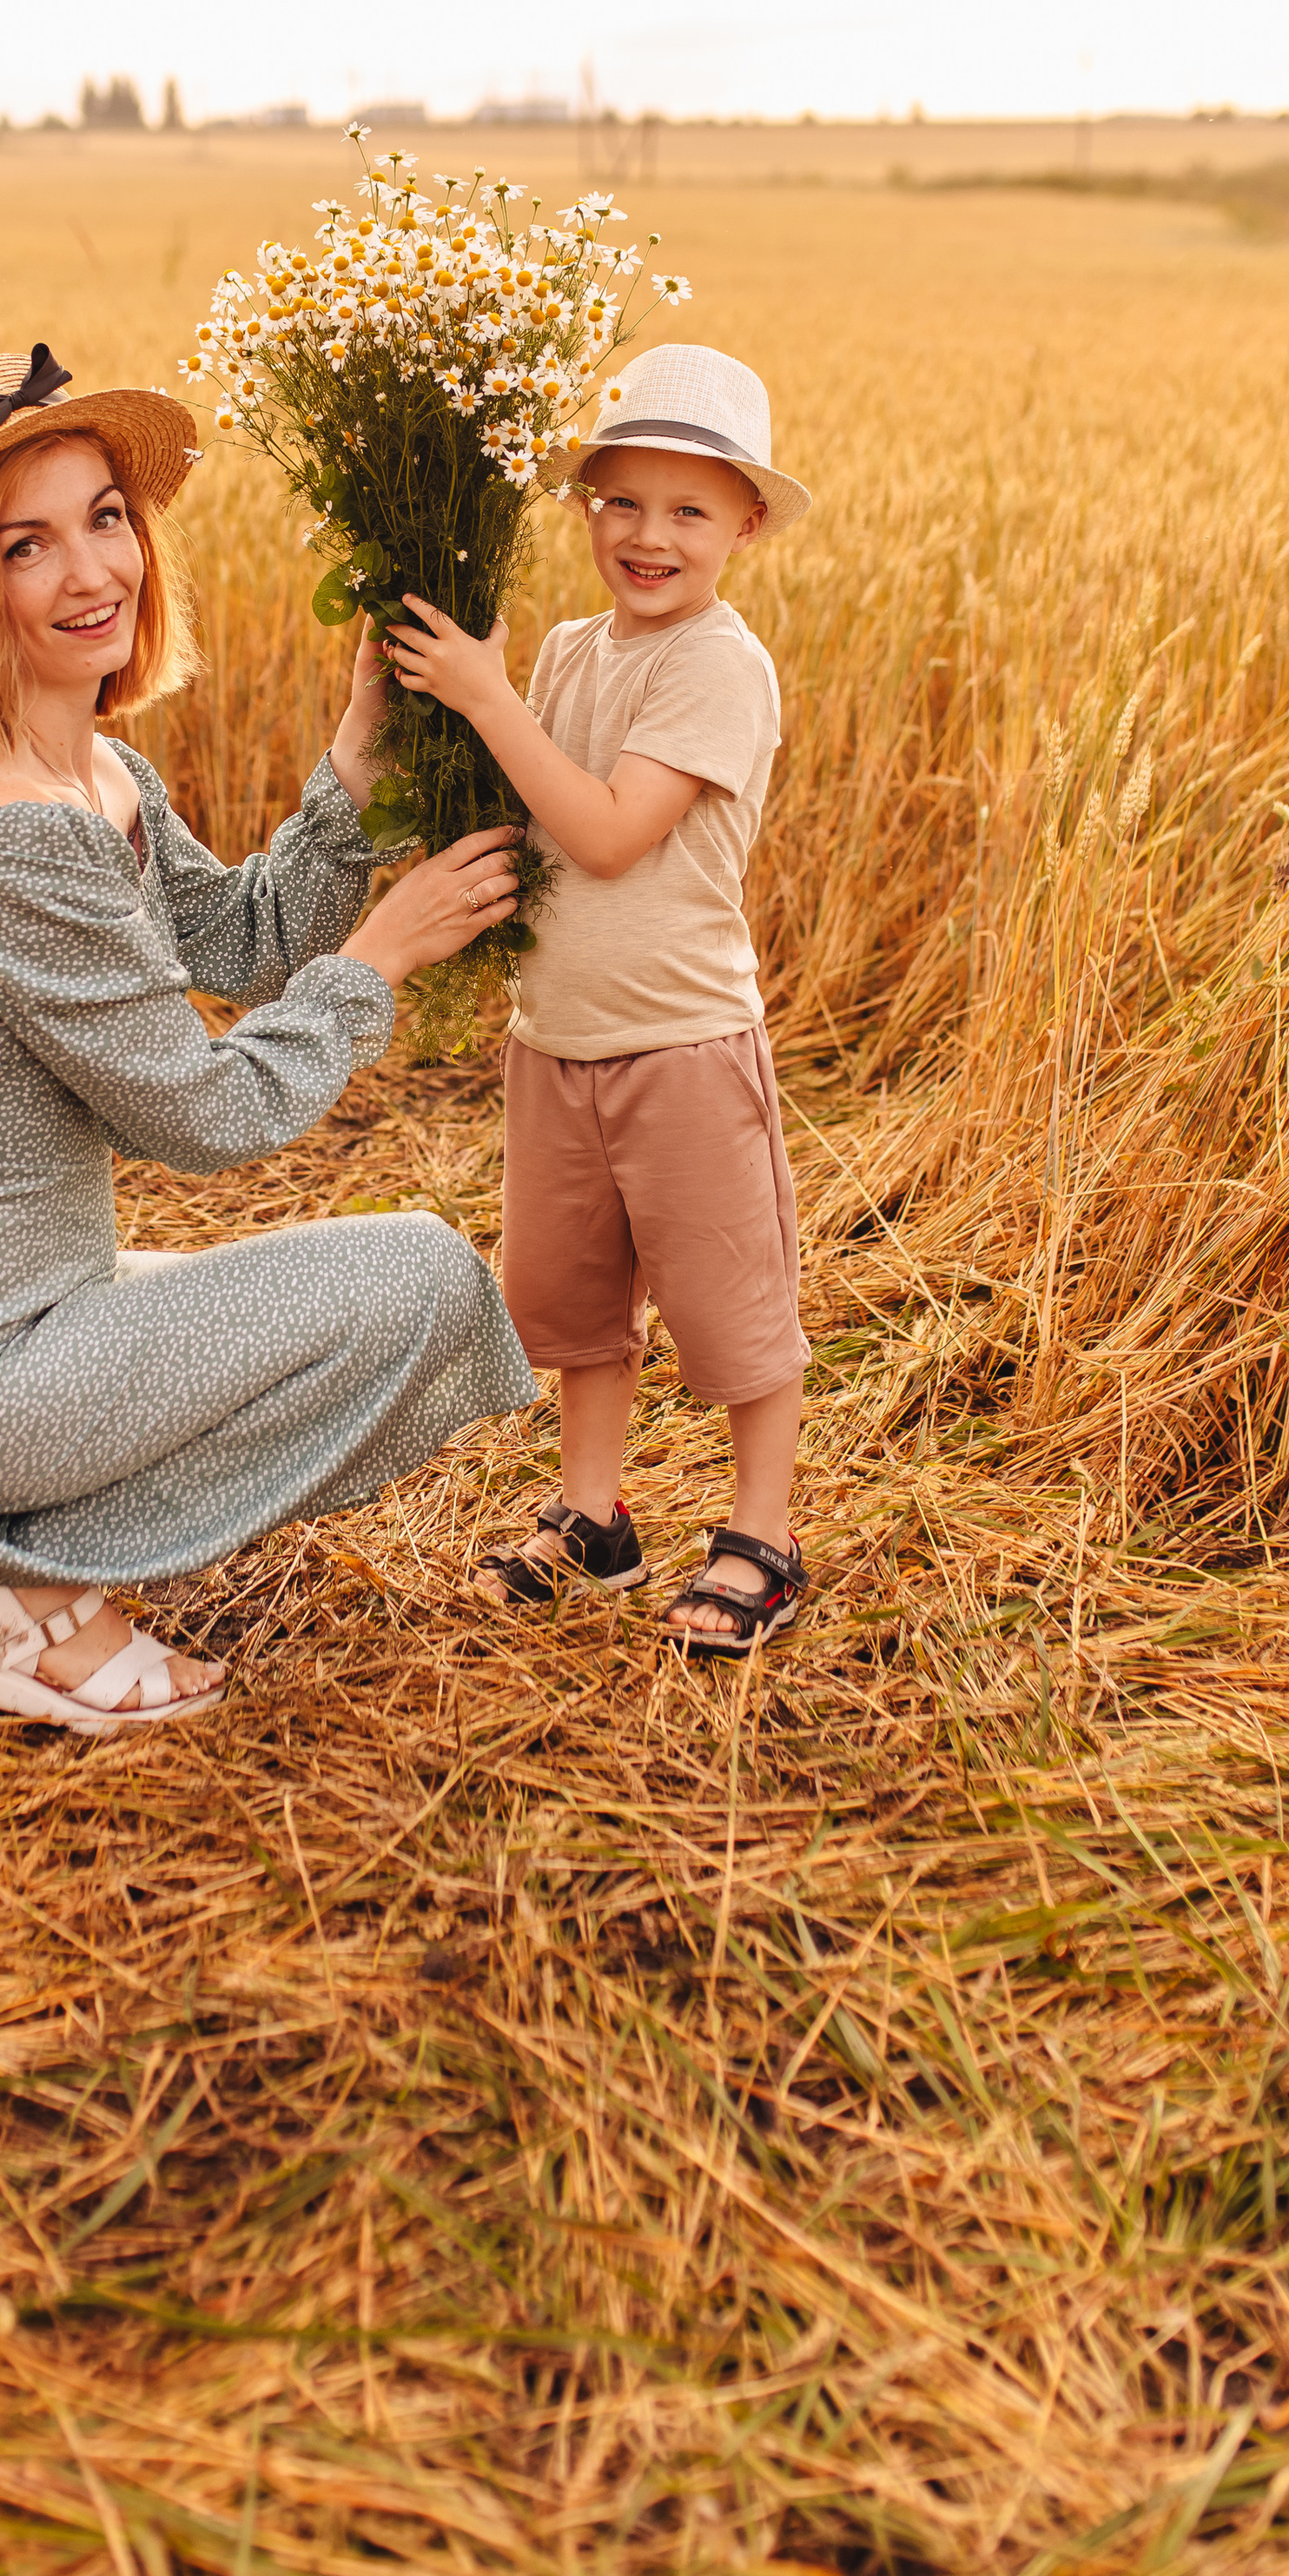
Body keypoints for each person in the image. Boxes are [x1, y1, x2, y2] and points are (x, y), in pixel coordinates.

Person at [0, 341, 533, 1733]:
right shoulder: (0, 834)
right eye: (29, 547)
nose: (92, 574)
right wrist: (383, 955)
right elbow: (202, 1120)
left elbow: (247, 938)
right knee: (416, 1279)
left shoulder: (95, 775)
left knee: (301, 1309)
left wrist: (356, 756)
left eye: (106, 518)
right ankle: (19, 1591)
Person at [383, 342, 815, 1660]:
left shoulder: (720, 667)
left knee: (728, 1300)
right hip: (555, 1041)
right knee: (574, 1305)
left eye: (689, 509)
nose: (649, 535)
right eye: (620, 500)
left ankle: (764, 1533)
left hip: (681, 1043)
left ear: (745, 523)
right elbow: (517, 797)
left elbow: (617, 834)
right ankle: (593, 1517)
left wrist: (489, 697)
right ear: (584, 509)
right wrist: (448, 691)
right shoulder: (569, 653)